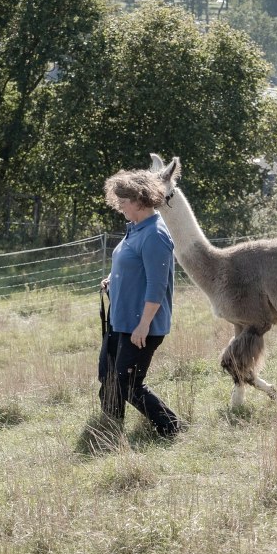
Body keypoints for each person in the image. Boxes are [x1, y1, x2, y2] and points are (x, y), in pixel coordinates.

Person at [97, 168, 184, 439]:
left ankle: (171, 427)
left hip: (141, 325)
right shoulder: (135, 229)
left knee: (129, 384)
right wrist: (113, 279)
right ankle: (111, 431)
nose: (120, 206)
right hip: (121, 319)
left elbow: (157, 286)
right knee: (108, 376)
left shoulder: (155, 235)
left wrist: (144, 324)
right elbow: (131, 264)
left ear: (140, 200)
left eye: (124, 201)